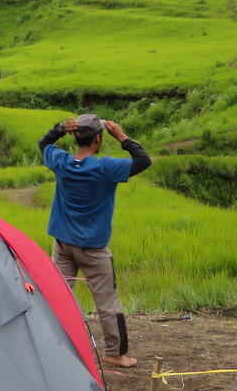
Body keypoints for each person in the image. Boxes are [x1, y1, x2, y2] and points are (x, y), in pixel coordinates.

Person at [39, 114, 152, 369]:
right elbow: (143, 161)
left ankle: (49, 347)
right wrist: (122, 137)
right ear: (98, 139)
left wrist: (58, 129)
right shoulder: (105, 168)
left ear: (75, 136)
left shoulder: (62, 162)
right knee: (107, 301)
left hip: (62, 245)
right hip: (93, 249)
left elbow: (44, 145)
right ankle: (115, 353)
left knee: (56, 295)